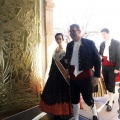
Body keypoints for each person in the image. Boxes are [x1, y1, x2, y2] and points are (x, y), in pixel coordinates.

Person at [65, 24, 101, 120]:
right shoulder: (69, 45)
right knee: (74, 99)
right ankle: (76, 118)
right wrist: (67, 68)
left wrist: (97, 76)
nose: (71, 33)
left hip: (86, 77)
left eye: (73, 31)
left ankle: (94, 112)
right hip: (73, 78)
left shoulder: (89, 43)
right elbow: (67, 59)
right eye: (70, 31)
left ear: (79, 31)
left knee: (88, 99)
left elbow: (97, 60)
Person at [39, 33, 72, 120]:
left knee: (62, 94)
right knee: (54, 93)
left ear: (63, 39)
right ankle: (56, 112)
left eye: (60, 39)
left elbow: (67, 63)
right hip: (54, 75)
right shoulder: (55, 50)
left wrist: (68, 73)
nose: (58, 40)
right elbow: (53, 63)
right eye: (57, 39)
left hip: (62, 76)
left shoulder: (65, 50)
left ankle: (63, 112)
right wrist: (50, 73)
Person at [99, 28, 120, 111]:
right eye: (102, 34)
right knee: (107, 85)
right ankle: (111, 99)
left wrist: (117, 68)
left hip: (113, 67)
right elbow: (100, 54)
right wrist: (99, 56)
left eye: (104, 34)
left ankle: (110, 102)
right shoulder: (102, 44)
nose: (103, 36)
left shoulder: (116, 43)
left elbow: (119, 56)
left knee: (111, 85)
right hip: (104, 66)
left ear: (108, 33)